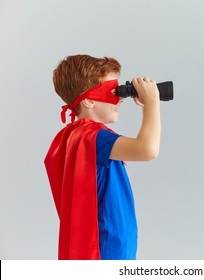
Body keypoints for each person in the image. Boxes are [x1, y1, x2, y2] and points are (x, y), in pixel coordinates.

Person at [44, 54, 161, 260]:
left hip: (109, 243)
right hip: (107, 248)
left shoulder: (75, 135)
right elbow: (147, 149)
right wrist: (152, 104)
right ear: (88, 100)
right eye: (113, 92)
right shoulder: (95, 137)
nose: (120, 99)